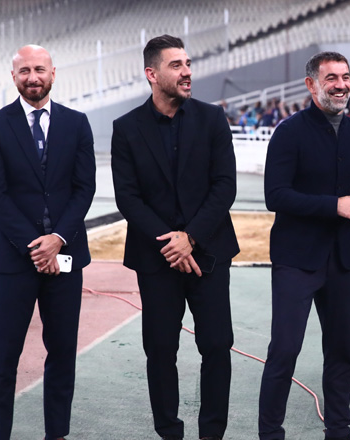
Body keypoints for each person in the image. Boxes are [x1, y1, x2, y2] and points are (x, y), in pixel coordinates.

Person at [111, 34, 238, 440]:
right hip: (156, 259)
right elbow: (128, 198)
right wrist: (172, 242)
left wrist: (191, 238)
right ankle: (169, 432)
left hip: (209, 254)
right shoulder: (126, 128)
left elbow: (225, 185)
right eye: (176, 65)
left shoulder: (212, 119)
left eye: (188, 64)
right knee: (161, 350)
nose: (187, 72)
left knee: (216, 345)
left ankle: (211, 434)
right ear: (152, 74)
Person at [258, 51, 350, 440]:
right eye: (331, 78)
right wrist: (334, 205)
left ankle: (339, 430)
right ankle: (270, 434)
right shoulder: (289, 132)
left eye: (345, 77)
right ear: (311, 84)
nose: (341, 85)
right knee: (284, 351)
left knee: (342, 352)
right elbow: (275, 195)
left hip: (343, 261)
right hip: (296, 259)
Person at [0, 44, 96, 440]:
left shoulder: (77, 124)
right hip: (13, 261)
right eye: (25, 70)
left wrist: (58, 239)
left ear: (53, 73)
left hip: (65, 257)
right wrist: (36, 244)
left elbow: (84, 189)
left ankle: (56, 434)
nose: (33, 77)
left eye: (40, 69)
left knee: (62, 353)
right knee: (3, 356)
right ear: (14, 77)